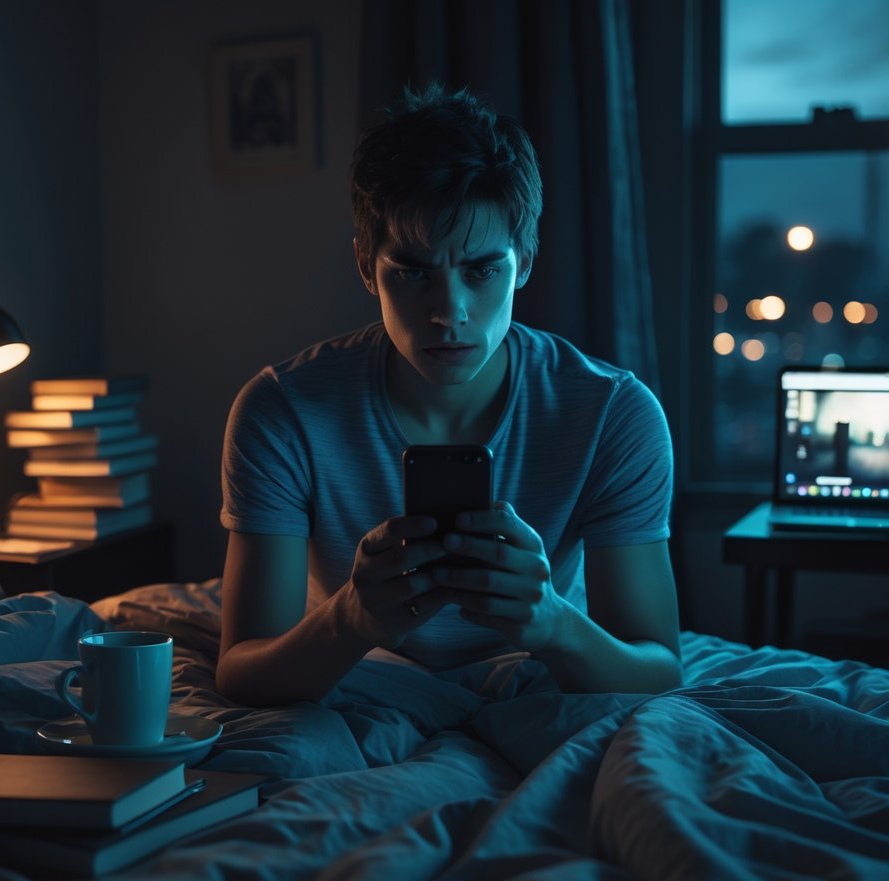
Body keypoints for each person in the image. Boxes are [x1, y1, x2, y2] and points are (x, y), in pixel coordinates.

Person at [215, 84, 682, 706]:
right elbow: (241, 672)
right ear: (365, 265)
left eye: (482, 270)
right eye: (413, 272)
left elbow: (658, 669)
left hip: (531, 682)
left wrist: (551, 623)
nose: (449, 311)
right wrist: (351, 619)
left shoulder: (613, 415)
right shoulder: (283, 411)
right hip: (357, 679)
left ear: (526, 261)